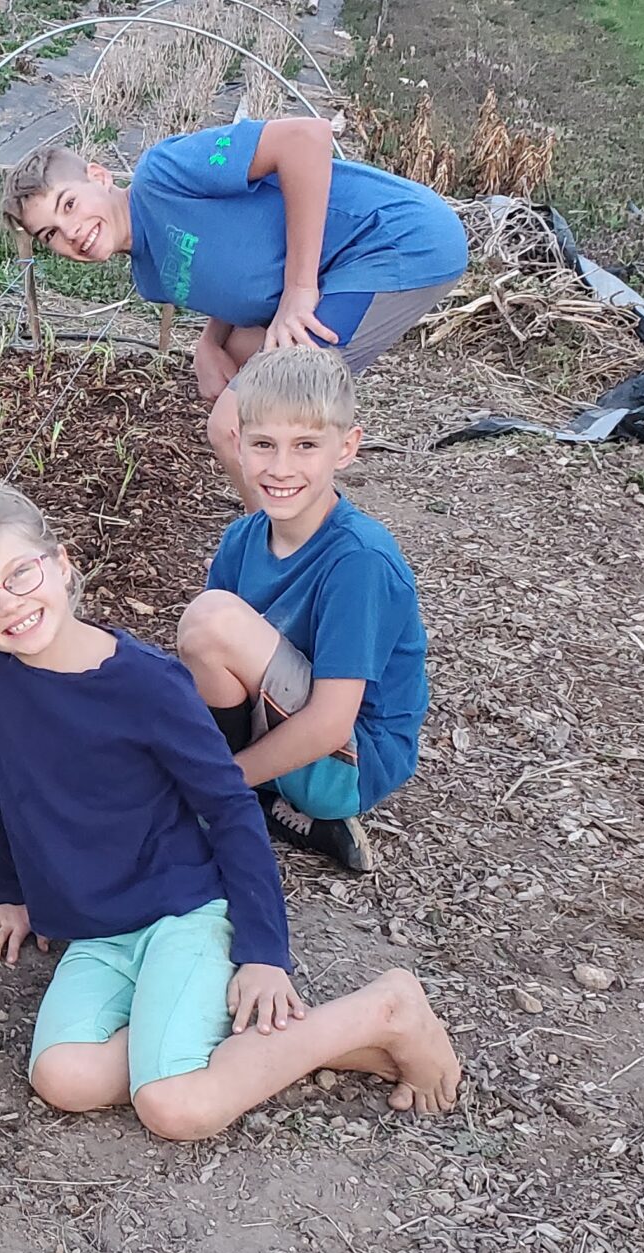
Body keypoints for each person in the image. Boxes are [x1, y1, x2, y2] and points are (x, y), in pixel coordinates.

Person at [0, 481, 460, 1140]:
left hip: (183, 910)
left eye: (20, 574)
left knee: (174, 1107)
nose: (10, 605)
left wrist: (263, 953)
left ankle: (384, 1010)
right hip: (99, 930)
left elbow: (230, 809)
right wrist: (5, 890)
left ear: (61, 563)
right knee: (61, 1076)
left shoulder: (148, 685)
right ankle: (252, 1039)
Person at [0, 118, 467, 507]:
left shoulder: (163, 173)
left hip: (392, 240)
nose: (71, 231)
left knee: (231, 425)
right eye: (51, 234)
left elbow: (306, 137)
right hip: (339, 274)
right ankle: (298, 526)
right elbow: (234, 278)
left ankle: (283, 556)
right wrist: (209, 341)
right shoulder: (149, 276)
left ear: (99, 177)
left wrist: (300, 290)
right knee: (238, 362)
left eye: (70, 204)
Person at [174, 347, 428, 875]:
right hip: (290, 729)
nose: (280, 467)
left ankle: (234, 795)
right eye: (263, 444)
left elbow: (334, 722)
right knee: (191, 650)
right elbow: (209, 674)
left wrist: (217, 781)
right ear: (238, 446)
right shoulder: (244, 538)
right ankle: (270, 801)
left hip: (349, 758)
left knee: (211, 621)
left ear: (346, 447)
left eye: (306, 445)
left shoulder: (358, 560)